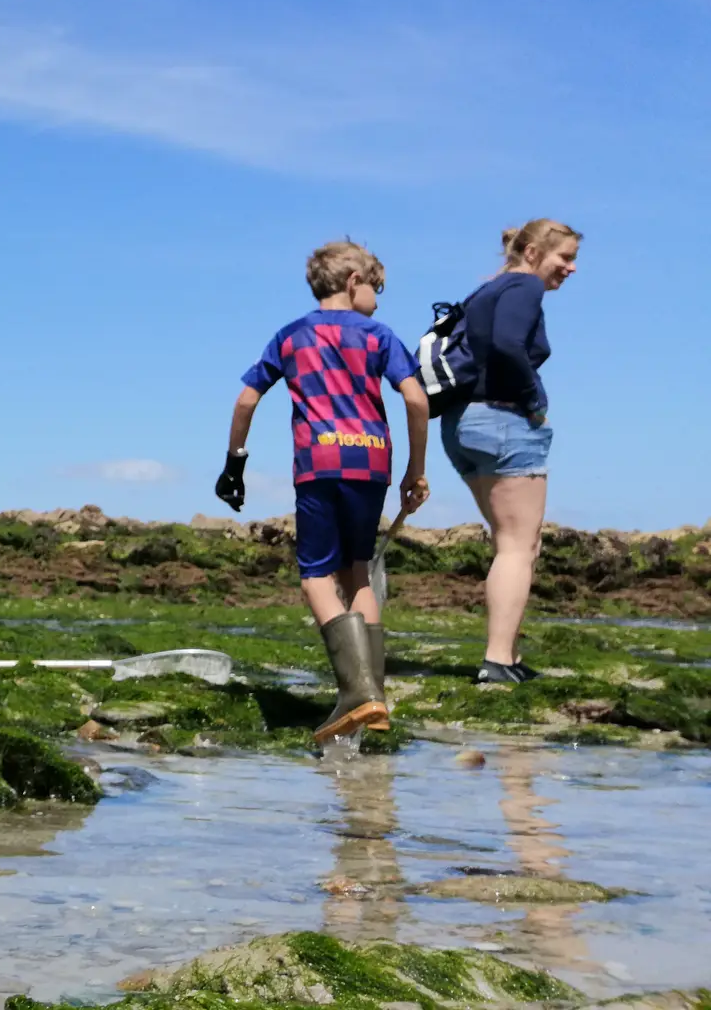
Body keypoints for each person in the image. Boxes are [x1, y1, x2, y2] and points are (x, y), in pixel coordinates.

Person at [215, 241, 429, 742]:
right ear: (354, 282)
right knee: (358, 572)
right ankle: (374, 697)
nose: (378, 298)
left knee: (315, 577)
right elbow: (416, 400)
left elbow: (246, 399)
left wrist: (234, 464)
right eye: (376, 287)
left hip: (319, 463)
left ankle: (358, 693)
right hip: (371, 462)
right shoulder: (379, 336)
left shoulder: (292, 336)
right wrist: (415, 471)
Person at [440, 220, 581, 684]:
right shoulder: (524, 286)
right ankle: (498, 660)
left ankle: (510, 657)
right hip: (502, 422)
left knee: (513, 543)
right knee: (519, 546)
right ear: (534, 252)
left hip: (461, 425)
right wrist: (535, 398)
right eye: (565, 257)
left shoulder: (486, 290)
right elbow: (507, 344)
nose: (571, 268)